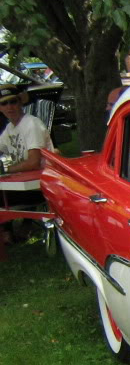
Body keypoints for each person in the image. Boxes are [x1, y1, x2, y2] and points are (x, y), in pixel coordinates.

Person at [0, 83, 55, 246]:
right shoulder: (10, 128)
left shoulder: (31, 124)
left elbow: (33, 162)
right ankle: (9, 232)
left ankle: (6, 235)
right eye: (4, 103)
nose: (9, 107)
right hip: (22, 185)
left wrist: (6, 169)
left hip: (41, 186)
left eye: (13, 101)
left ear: (20, 102)